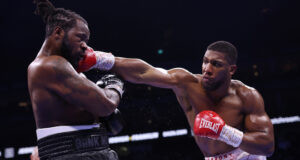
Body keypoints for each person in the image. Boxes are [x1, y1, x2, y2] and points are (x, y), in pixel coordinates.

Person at [78, 41, 275, 159]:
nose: (207, 68)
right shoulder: (187, 83)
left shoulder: (247, 95)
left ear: (231, 69)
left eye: (216, 64)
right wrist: (99, 59)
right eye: (205, 61)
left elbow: (267, 146)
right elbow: (144, 72)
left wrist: (224, 132)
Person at [28, 0, 124, 159]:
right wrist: (116, 84)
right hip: (73, 154)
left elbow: (101, 114)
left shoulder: (68, 70)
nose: (85, 46)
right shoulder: (49, 64)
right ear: (58, 33)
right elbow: (106, 106)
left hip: (91, 151)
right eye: (80, 38)